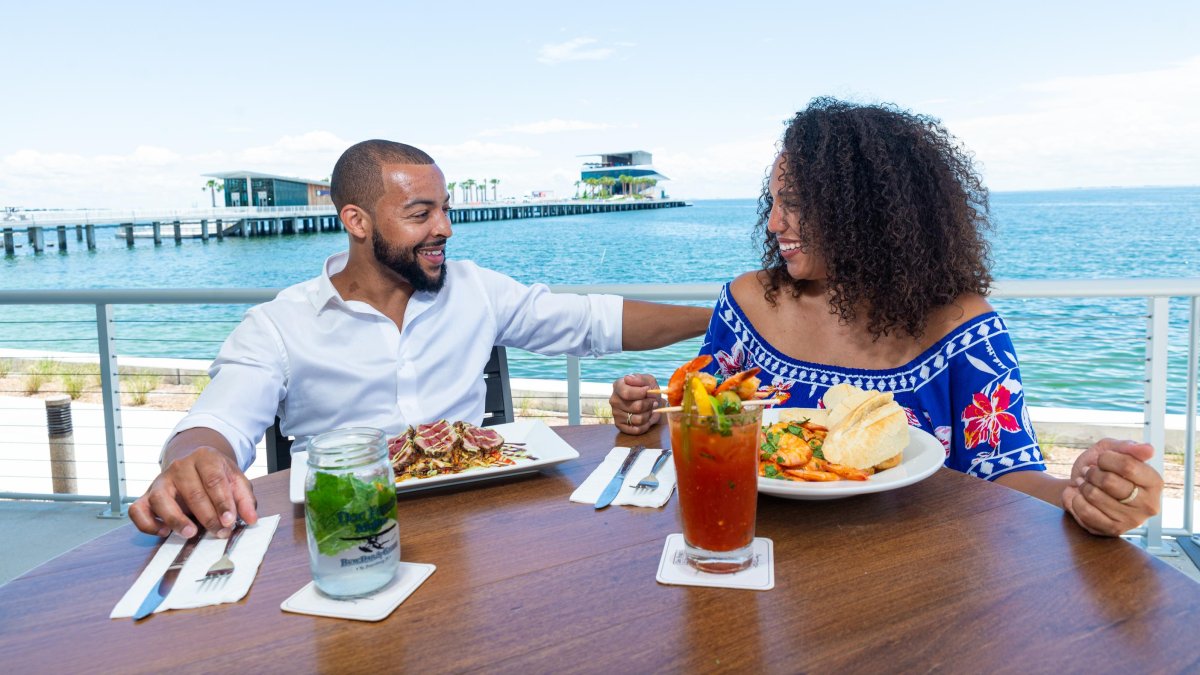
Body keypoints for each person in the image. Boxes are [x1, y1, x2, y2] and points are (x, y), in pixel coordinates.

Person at [610, 98, 1163, 537]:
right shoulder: (747, 303)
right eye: (773, 201)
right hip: (751, 548)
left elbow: (1005, 475)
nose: (775, 222)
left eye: (795, 202)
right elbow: (705, 417)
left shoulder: (963, 330)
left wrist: (1080, 495)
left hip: (919, 575)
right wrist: (651, 412)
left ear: (866, 211)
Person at [130, 139, 711, 539]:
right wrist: (193, 461)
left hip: (478, 522)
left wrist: (721, 317)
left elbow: (592, 321)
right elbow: (218, 424)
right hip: (344, 534)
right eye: (421, 214)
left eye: (445, 209)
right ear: (357, 221)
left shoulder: (475, 290)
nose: (445, 229)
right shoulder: (280, 325)